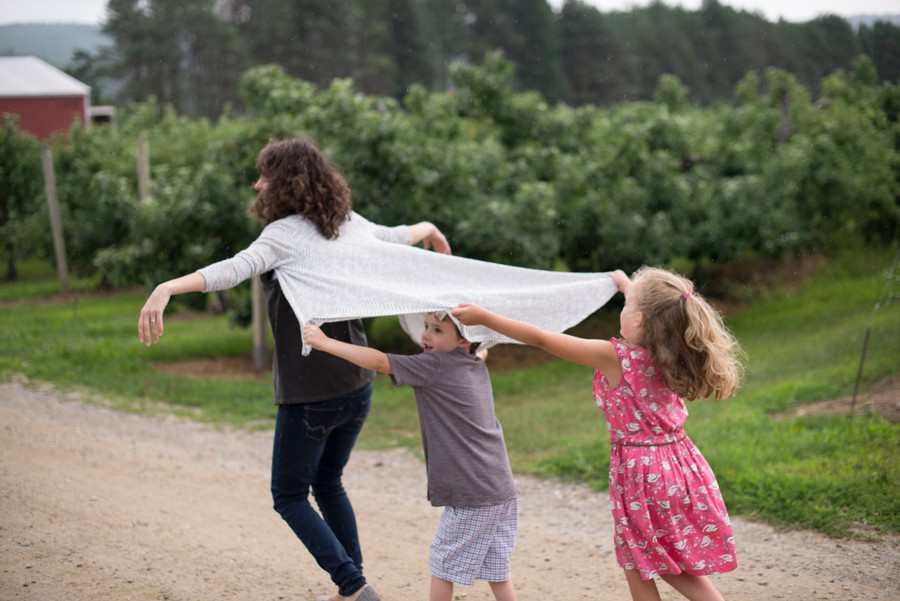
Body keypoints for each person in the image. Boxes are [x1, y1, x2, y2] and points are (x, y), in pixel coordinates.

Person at [137, 137, 452, 601]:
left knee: (288, 495)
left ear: (285, 183)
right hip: (356, 384)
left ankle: (354, 586)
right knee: (327, 481)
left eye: (264, 175)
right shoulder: (348, 223)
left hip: (311, 392)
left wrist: (167, 287)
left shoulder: (283, 235)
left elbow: (233, 268)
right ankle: (353, 587)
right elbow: (397, 235)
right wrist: (427, 226)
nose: (257, 183)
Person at [452, 267, 743, 601]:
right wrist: (625, 286)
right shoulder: (669, 353)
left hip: (643, 474)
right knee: (643, 556)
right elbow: (655, 309)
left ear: (642, 321)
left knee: (646, 558)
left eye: (626, 306)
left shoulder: (615, 358)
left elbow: (542, 338)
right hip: (677, 464)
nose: (623, 310)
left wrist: (485, 317)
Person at [303, 312, 520, 601]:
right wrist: (479, 350)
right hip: (501, 488)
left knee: (442, 565)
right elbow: (481, 354)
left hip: (473, 493)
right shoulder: (473, 364)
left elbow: (380, 361)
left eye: (438, 330)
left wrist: (326, 342)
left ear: (463, 339)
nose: (427, 335)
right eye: (427, 327)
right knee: (497, 570)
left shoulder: (434, 365)